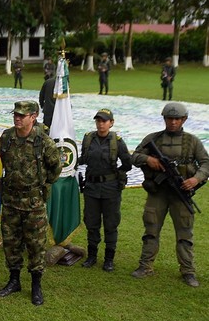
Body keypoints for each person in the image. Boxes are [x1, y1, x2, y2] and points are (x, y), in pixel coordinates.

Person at [131, 102, 209, 287]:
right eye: (169, 118)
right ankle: (145, 266)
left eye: (177, 119)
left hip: (180, 194)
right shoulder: (154, 139)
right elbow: (134, 157)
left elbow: (206, 163)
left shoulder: (192, 142)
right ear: (164, 119)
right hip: (157, 193)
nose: (173, 122)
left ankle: (188, 271)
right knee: (151, 230)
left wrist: (196, 179)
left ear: (184, 120)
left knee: (184, 234)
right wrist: (148, 159)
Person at [0, 100, 61, 305]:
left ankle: (36, 285)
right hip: (11, 201)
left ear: (33, 117)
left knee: (36, 245)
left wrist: (39, 185)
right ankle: (14, 281)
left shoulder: (43, 142)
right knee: (11, 243)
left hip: (33, 203)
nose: (17, 117)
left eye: (22, 115)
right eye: (15, 114)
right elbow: (3, 161)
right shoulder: (6, 138)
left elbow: (56, 169)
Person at [78, 109, 132, 272]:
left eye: (104, 121)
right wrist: (68, 160)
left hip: (111, 189)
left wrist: (116, 175)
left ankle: (109, 259)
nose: (101, 124)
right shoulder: (88, 138)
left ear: (111, 123)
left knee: (110, 224)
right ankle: (92, 256)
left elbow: (127, 164)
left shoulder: (117, 141)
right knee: (92, 223)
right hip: (91, 188)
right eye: (98, 121)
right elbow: (83, 159)